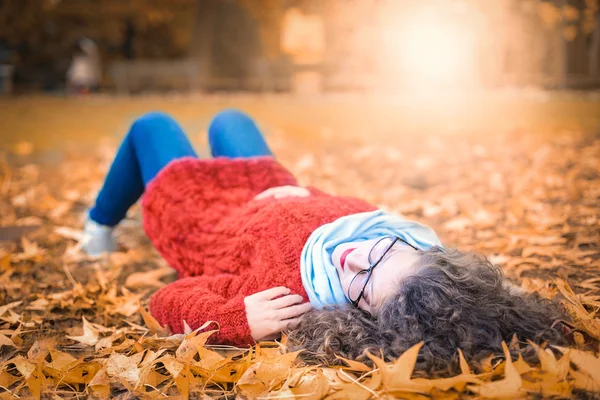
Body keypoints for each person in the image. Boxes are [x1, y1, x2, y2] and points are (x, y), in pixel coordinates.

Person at [83, 110, 568, 371]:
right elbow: (336, 215)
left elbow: (168, 298)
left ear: (359, 315)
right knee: (231, 121)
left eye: (360, 285)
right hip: (273, 188)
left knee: (152, 126)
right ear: (415, 247)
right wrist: (301, 195)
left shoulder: (289, 297)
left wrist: (234, 319)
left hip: (206, 217)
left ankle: (99, 223)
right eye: (380, 254)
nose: (353, 257)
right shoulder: (386, 229)